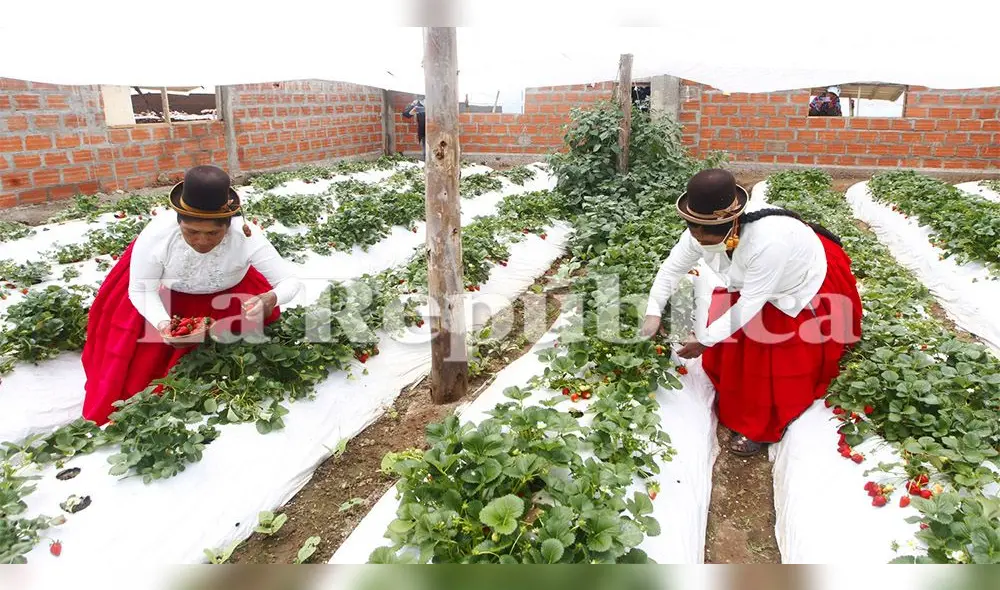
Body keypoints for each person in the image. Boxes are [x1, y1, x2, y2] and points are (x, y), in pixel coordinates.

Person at [641, 169, 862, 456]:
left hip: (794, 282)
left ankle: (762, 427)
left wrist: (706, 340)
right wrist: (653, 311)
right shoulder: (699, 231)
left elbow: (750, 303)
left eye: (701, 234)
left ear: (728, 225)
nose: (695, 238)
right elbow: (672, 268)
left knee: (778, 362)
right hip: (754, 283)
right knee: (735, 349)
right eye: (692, 228)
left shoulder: (769, 242)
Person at [81, 165, 303, 424]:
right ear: (179, 223)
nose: (202, 241)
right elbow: (142, 290)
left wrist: (270, 298)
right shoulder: (157, 236)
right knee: (139, 377)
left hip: (226, 300)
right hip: (166, 300)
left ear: (227, 226)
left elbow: (289, 281)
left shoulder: (247, 236)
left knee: (228, 375)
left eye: (213, 233)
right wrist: (164, 325)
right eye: (192, 232)